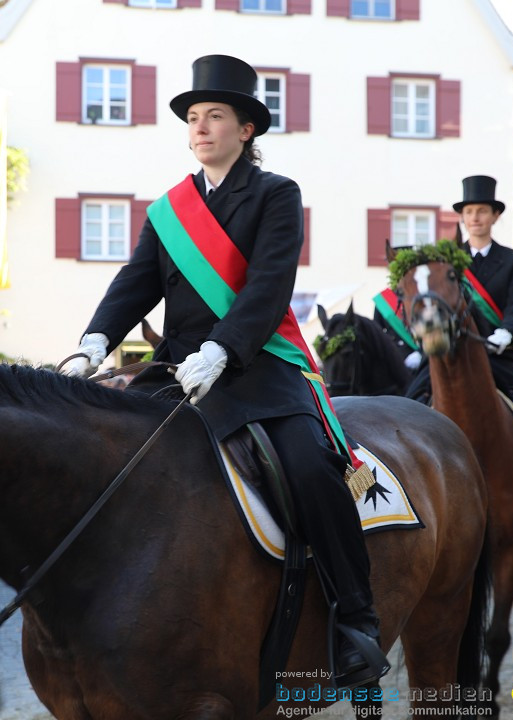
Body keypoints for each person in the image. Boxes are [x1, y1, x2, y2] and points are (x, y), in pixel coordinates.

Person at [60, 55, 386, 687]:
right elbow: (135, 284)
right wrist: (93, 342)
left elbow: (267, 289)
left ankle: (357, 620)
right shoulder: (168, 211)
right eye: (194, 117)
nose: (200, 126)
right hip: (178, 366)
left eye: (215, 116)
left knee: (310, 469)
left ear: (247, 130)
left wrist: (222, 350)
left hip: (257, 362)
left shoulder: (276, 195)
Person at [405, 175, 513, 540]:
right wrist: (422, 348)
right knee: (409, 401)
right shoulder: (448, 261)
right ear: (462, 217)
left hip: (495, 353)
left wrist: (507, 331)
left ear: (495, 216)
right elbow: (430, 300)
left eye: (482, 211)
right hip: (448, 356)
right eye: (469, 212)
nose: (475, 217)